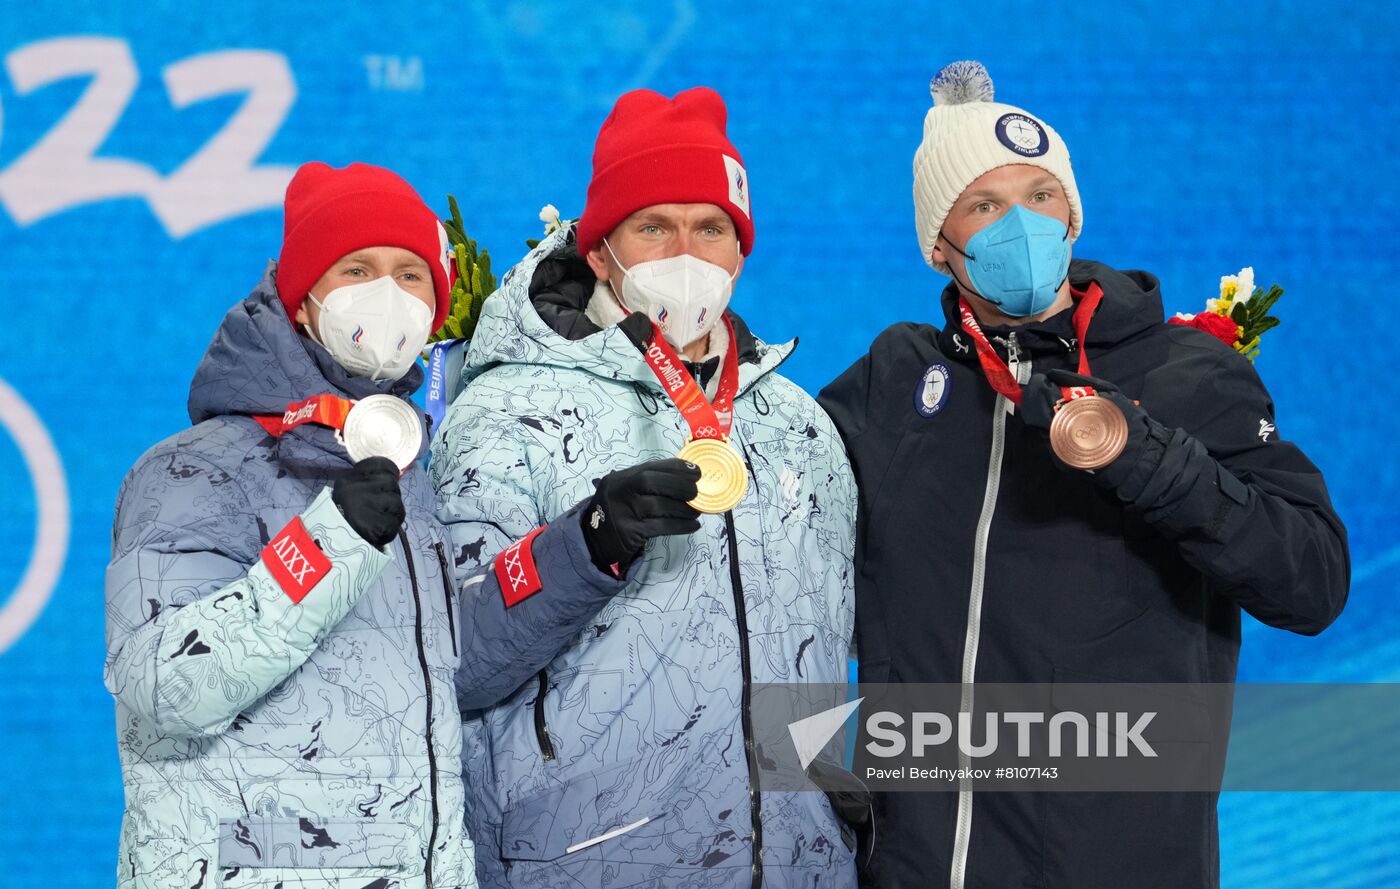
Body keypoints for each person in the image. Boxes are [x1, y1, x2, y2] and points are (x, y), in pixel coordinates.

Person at [818, 62, 1350, 889]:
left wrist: (1141, 453)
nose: (1019, 224)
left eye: (1040, 195)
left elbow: (1312, 581)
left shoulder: (1189, 374)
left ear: (1071, 212)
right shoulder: (895, 383)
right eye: (985, 206)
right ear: (938, 242)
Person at [105, 162, 613, 889]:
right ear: (303, 302)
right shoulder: (191, 472)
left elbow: (457, 667)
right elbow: (163, 685)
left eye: (412, 275)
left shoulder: (406, 478)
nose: (389, 293)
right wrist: (329, 541)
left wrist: (587, 543)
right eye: (358, 268)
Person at [431, 87, 859, 888]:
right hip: (589, 867)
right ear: (600, 252)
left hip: (802, 867)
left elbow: (836, 645)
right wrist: (584, 543)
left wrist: (841, 795)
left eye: (711, 228)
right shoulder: (505, 412)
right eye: (653, 225)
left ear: (740, 251)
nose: (685, 252)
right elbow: (447, 658)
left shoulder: (798, 424)